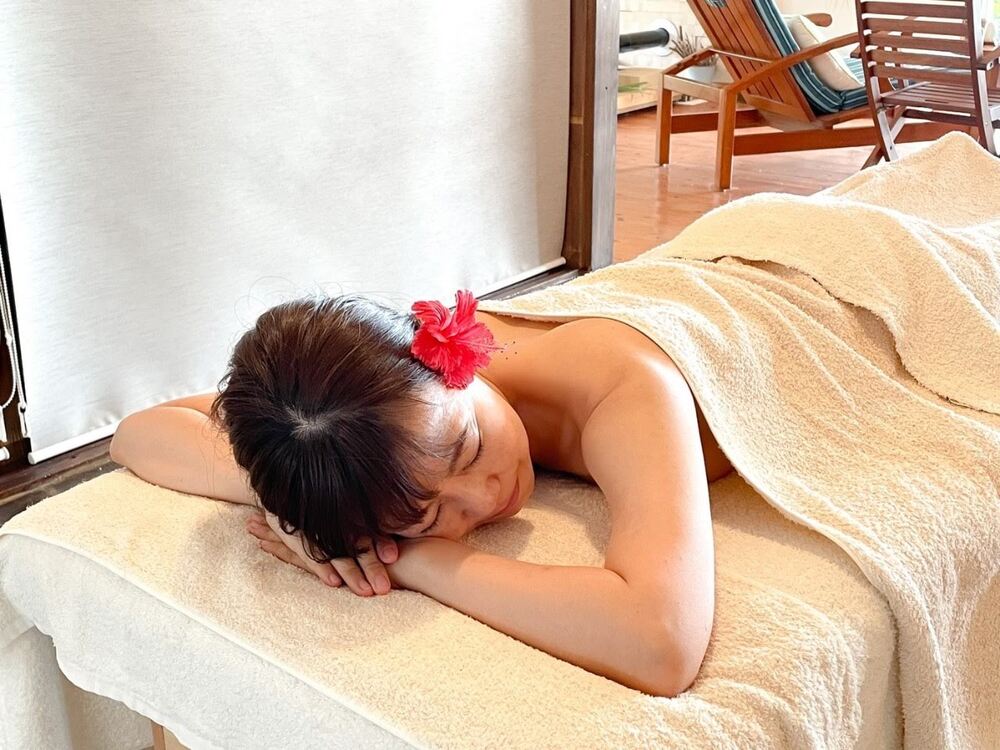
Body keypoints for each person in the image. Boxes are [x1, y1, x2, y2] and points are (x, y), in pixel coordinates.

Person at [109, 290, 733, 697]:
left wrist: (416, 557)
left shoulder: (620, 381)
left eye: (469, 444)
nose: (485, 497)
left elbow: (660, 643)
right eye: (428, 515)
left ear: (453, 363)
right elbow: (137, 434)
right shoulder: (357, 412)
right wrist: (303, 508)